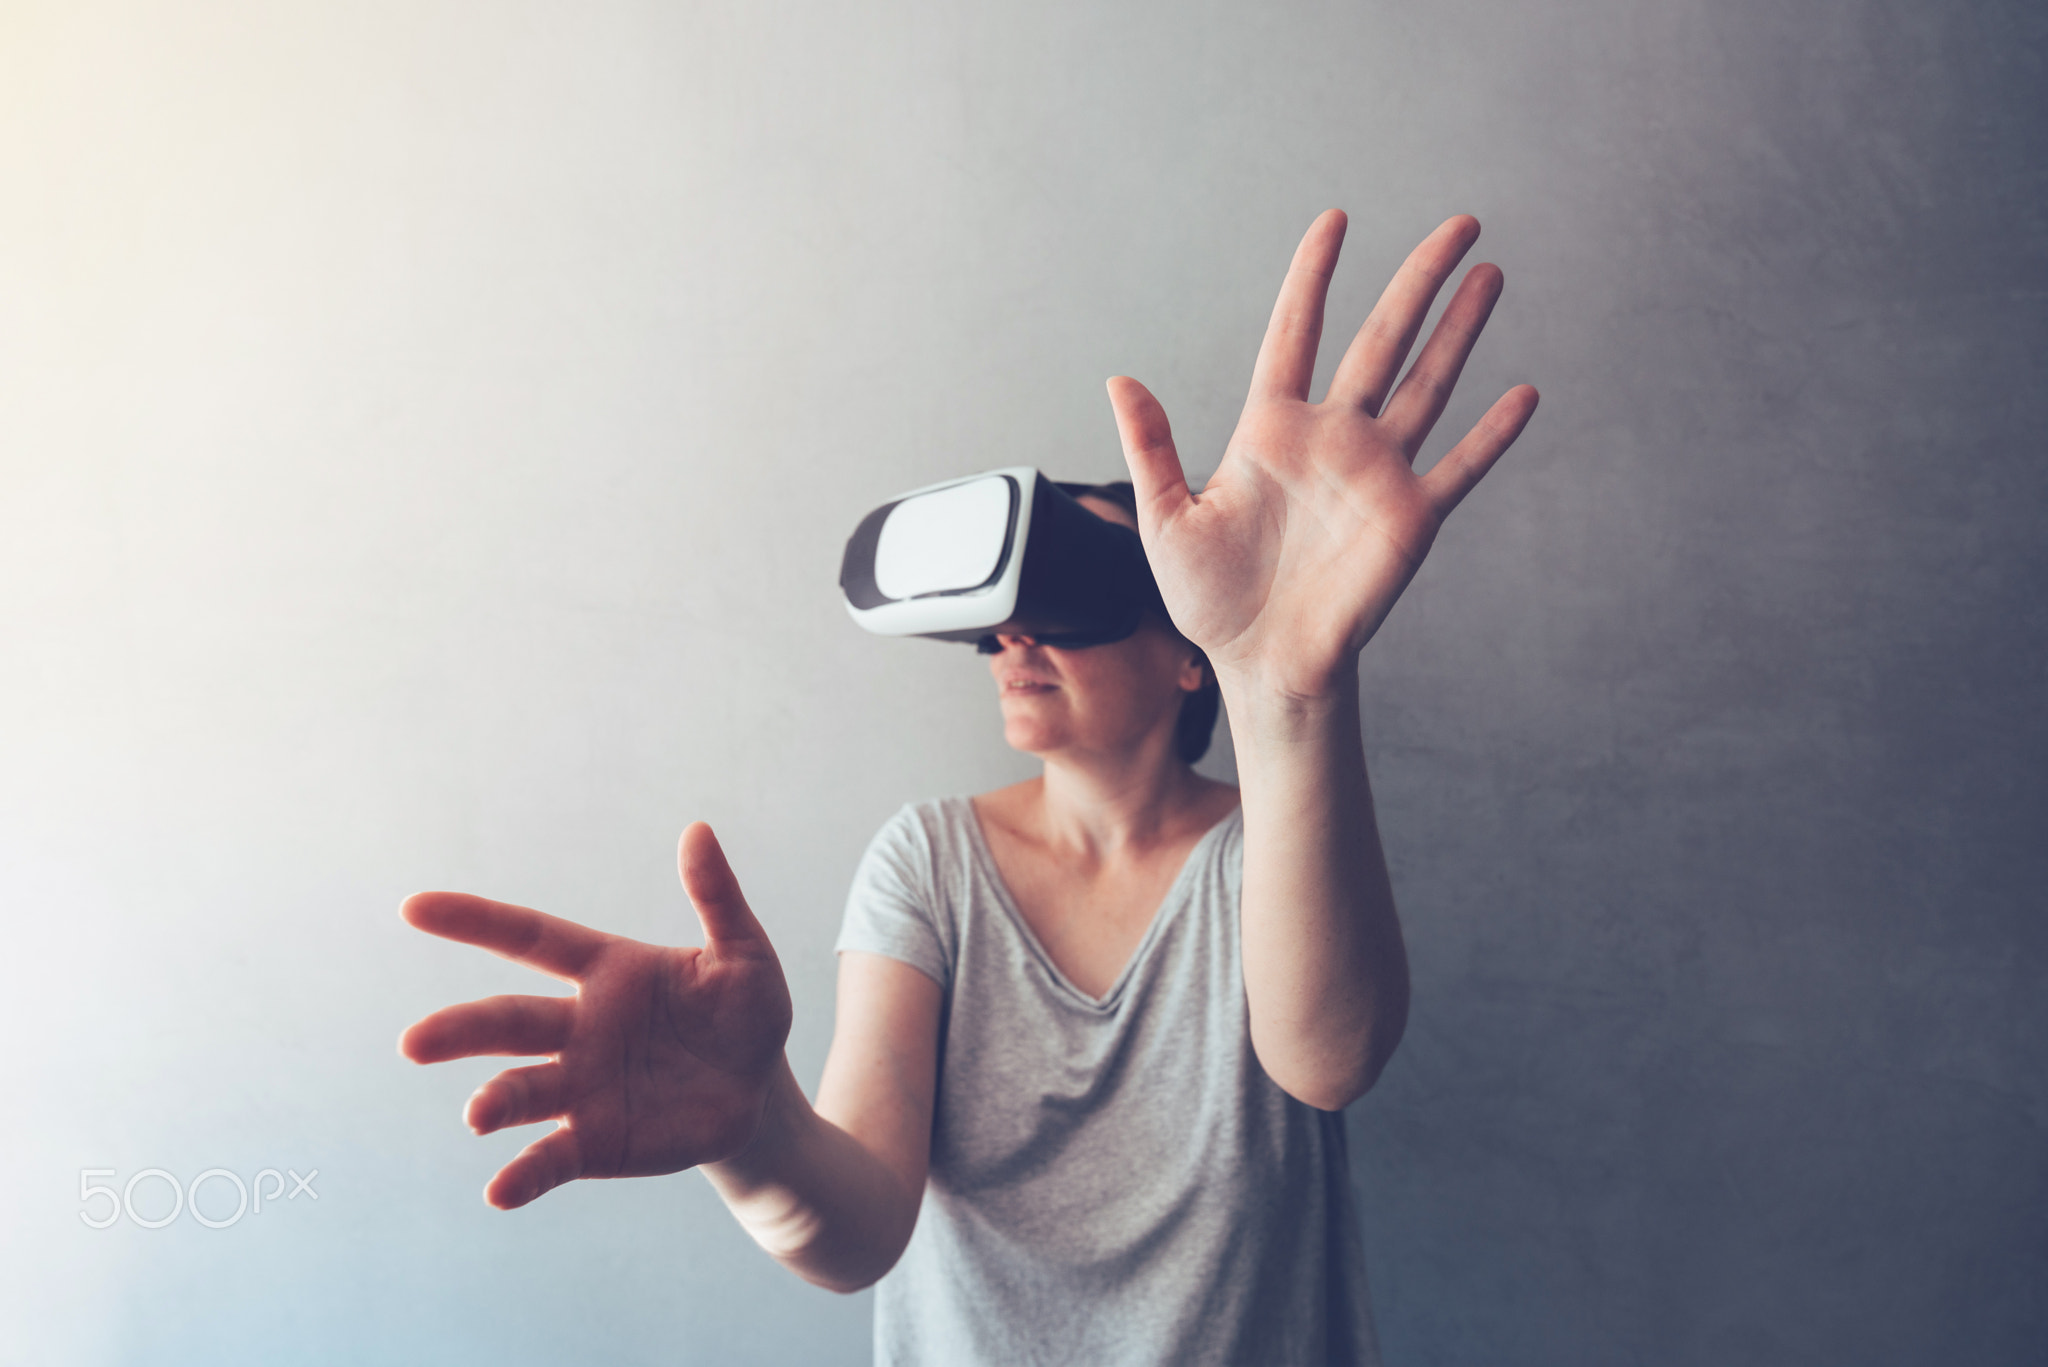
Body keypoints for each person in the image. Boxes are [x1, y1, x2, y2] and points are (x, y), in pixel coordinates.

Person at [398, 209, 1539, 1365]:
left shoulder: (1268, 857)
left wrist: (1286, 686)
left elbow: (1329, 1058)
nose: (1014, 641)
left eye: (1069, 600)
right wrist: (755, 1130)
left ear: (1185, 645)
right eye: (995, 623)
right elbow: (856, 1229)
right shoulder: (929, 863)